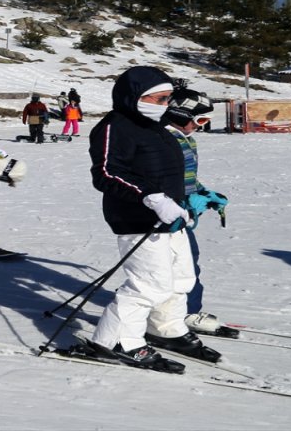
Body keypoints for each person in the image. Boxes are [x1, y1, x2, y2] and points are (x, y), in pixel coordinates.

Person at [84, 66, 220, 371]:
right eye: (159, 99)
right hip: (136, 218)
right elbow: (106, 173)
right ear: (136, 96)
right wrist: (152, 198)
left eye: (167, 99)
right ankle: (115, 341)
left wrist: (187, 200)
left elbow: (171, 172)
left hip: (172, 217)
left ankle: (167, 329)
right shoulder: (114, 126)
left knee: (181, 277)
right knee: (149, 285)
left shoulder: (155, 126)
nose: (164, 105)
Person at [162, 87, 230, 336]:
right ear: (180, 115)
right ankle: (183, 313)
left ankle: (180, 310)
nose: (201, 126)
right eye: (199, 119)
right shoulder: (165, 140)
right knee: (181, 264)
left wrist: (204, 193)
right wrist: (185, 200)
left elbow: (186, 177)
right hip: (167, 213)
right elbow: (162, 181)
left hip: (182, 210)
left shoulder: (184, 137)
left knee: (185, 262)